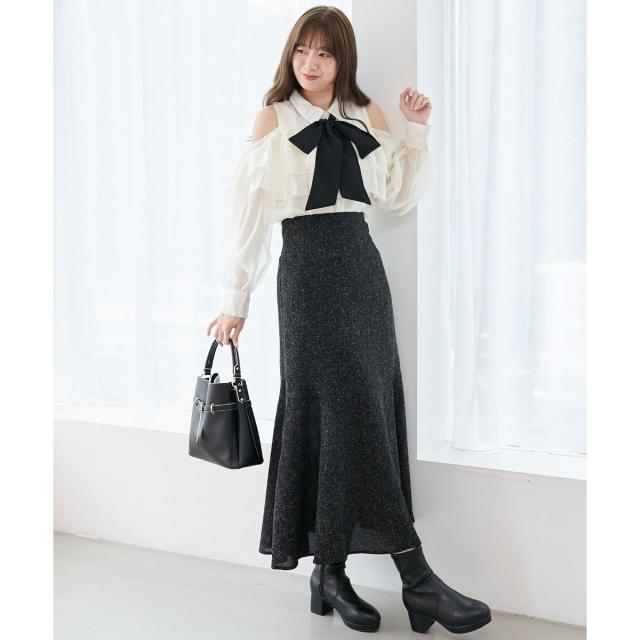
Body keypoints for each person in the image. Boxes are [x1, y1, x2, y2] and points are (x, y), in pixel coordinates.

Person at [207, 5, 491, 635]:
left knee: (361, 413)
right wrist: (234, 298)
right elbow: (248, 214)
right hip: (306, 275)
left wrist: (415, 130)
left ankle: (329, 573)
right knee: (341, 413)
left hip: (362, 270)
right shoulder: (274, 117)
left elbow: (398, 198)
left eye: (325, 53)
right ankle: (417, 579)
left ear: (342, 60)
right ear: (290, 55)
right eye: (302, 50)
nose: (311, 63)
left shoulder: (367, 114)